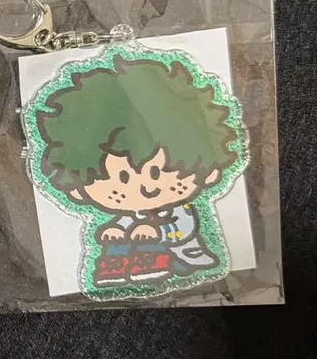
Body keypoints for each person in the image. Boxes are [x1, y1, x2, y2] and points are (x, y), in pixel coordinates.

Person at [34, 56, 241, 288]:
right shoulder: (128, 211)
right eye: (123, 178)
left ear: (209, 169)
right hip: (140, 256)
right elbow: (125, 222)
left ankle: (151, 267)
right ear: (76, 189)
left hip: (186, 258)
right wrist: (115, 229)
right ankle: (121, 271)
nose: (147, 187)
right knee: (120, 249)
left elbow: (184, 229)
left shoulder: (179, 209)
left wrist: (157, 231)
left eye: (157, 173)